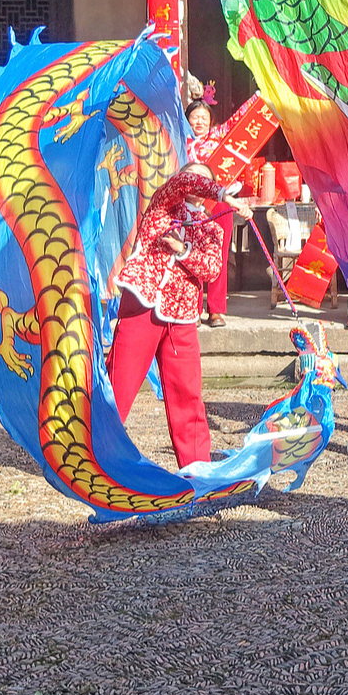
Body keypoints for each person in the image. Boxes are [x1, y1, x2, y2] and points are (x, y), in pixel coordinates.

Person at [109, 164, 254, 466]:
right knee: (119, 385)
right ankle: (96, 452)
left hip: (183, 316)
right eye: (194, 176)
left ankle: (197, 466)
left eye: (206, 179)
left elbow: (211, 269)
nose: (198, 182)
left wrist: (183, 249)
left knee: (187, 395)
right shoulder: (164, 205)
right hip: (143, 306)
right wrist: (224, 193)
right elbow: (184, 181)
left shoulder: (212, 227)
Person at [185, 101, 237, 327]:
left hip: (219, 204)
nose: (200, 121)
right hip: (190, 206)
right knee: (191, 255)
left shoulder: (220, 141)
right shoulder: (180, 141)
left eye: (204, 117)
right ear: (187, 120)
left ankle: (216, 310)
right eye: (195, 117)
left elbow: (241, 120)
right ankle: (192, 309)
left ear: (211, 120)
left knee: (219, 255)